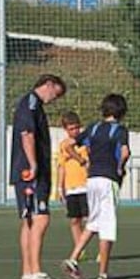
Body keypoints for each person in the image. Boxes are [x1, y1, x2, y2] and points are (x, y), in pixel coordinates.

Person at [61, 93, 130, 279]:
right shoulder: (120, 130)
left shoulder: (93, 127)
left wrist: (80, 159)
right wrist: (120, 167)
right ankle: (103, 275)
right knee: (107, 227)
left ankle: (73, 258)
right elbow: (124, 152)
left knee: (94, 222)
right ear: (122, 112)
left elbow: (69, 146)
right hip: (108, 180)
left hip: (91, 180)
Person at [10, 74, 67, 279]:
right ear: (48, 85)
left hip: (27, 172)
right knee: (40, 218)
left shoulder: (31, 104)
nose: (55, 98)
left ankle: (28, 272)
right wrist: (33, 164)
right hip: (31, 173)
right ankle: (35, 270)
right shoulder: (31, 103)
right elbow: (27, 135)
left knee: (29, 222)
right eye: (56, 93)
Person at [57, 111, 89, 261]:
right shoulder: (63, 145)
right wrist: (60, 187)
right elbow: (61, 167)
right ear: (65, 130)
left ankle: (102, 249)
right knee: (74, 220)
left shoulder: (85, 143)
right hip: (71, 187)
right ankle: (80, 248)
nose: (74, 131)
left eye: (76, 128)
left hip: (86, 185)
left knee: (90, 219)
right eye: (71, 129)